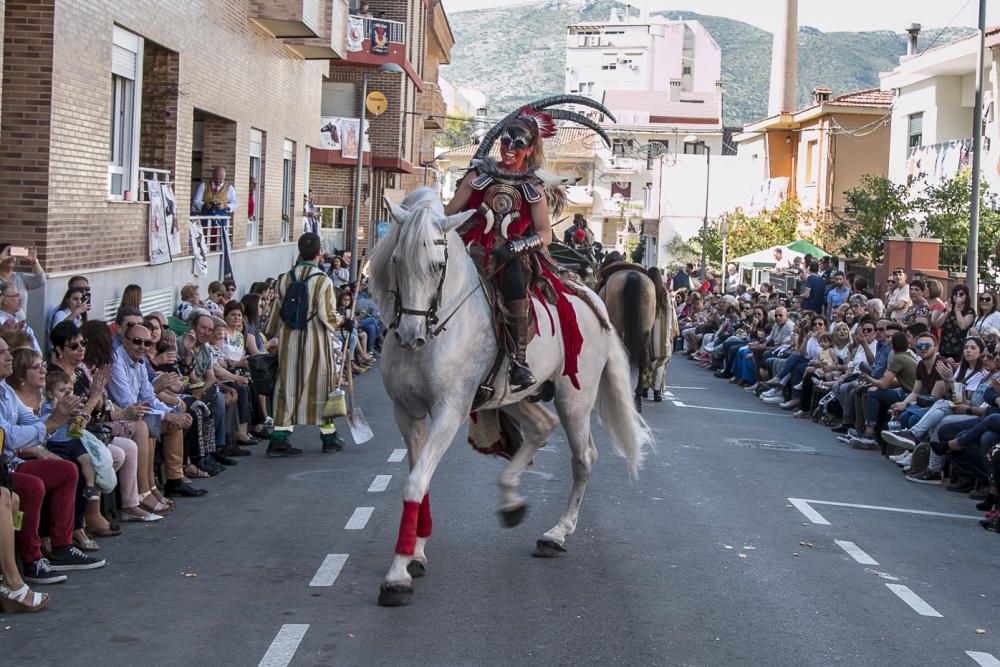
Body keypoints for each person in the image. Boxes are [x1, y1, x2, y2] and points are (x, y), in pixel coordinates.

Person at [444, 100, 596, 390]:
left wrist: (515, 249)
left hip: (512, 254)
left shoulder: (533, 187)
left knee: (514, 280)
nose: (510, 147)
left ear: (529, 149)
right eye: (505, 140)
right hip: (471, 246)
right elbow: (450, 214)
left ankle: (518, 359)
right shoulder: (478, 177)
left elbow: (545, 234)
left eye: (518, 142)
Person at [0, 336, 105, 583]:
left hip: (11, 464)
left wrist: (59, 417)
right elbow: (10, 438)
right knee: (31, 485)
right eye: (2, 352)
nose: (8, 356)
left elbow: (32, 425)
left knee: (65, 470)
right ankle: (32, 560)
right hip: (7, 467)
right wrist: (53, 422)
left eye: (8, 351)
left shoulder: (4, 390)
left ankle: (62, 546)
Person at [266, 233, 346, 456]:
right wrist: (344, 320)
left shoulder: (284, 278)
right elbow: (328, 317)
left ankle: (279, 439)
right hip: (316, 343)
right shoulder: (323, 280)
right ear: (320, 252)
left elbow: (275, 316)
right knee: (322, 386)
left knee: (286, 387)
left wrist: (271, 335)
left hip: (289, 342)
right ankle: (328, 437)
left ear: (299, 251)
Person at [0, 244, 45, 322]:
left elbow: (40, 281)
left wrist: (34, 261)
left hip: (20, 325)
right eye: (8, 255)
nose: (11, 258)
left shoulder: (20, 277)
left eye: (13, 255)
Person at [934, 283, 975, 361]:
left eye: (961, 294)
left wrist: (957, 309)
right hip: (944, 348)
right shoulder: (948, 309)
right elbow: (937, 325)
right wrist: (947, 312)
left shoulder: (969, 311)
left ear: (966, 296)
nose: (958, 296)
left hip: (960, 349)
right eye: (955, 294)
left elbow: (962, 325)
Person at [0, 280, 40, 352]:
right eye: (16, 296)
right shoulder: (2, 322)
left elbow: (38, 351)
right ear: (4, 300)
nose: (20, 299)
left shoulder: (20, 320)